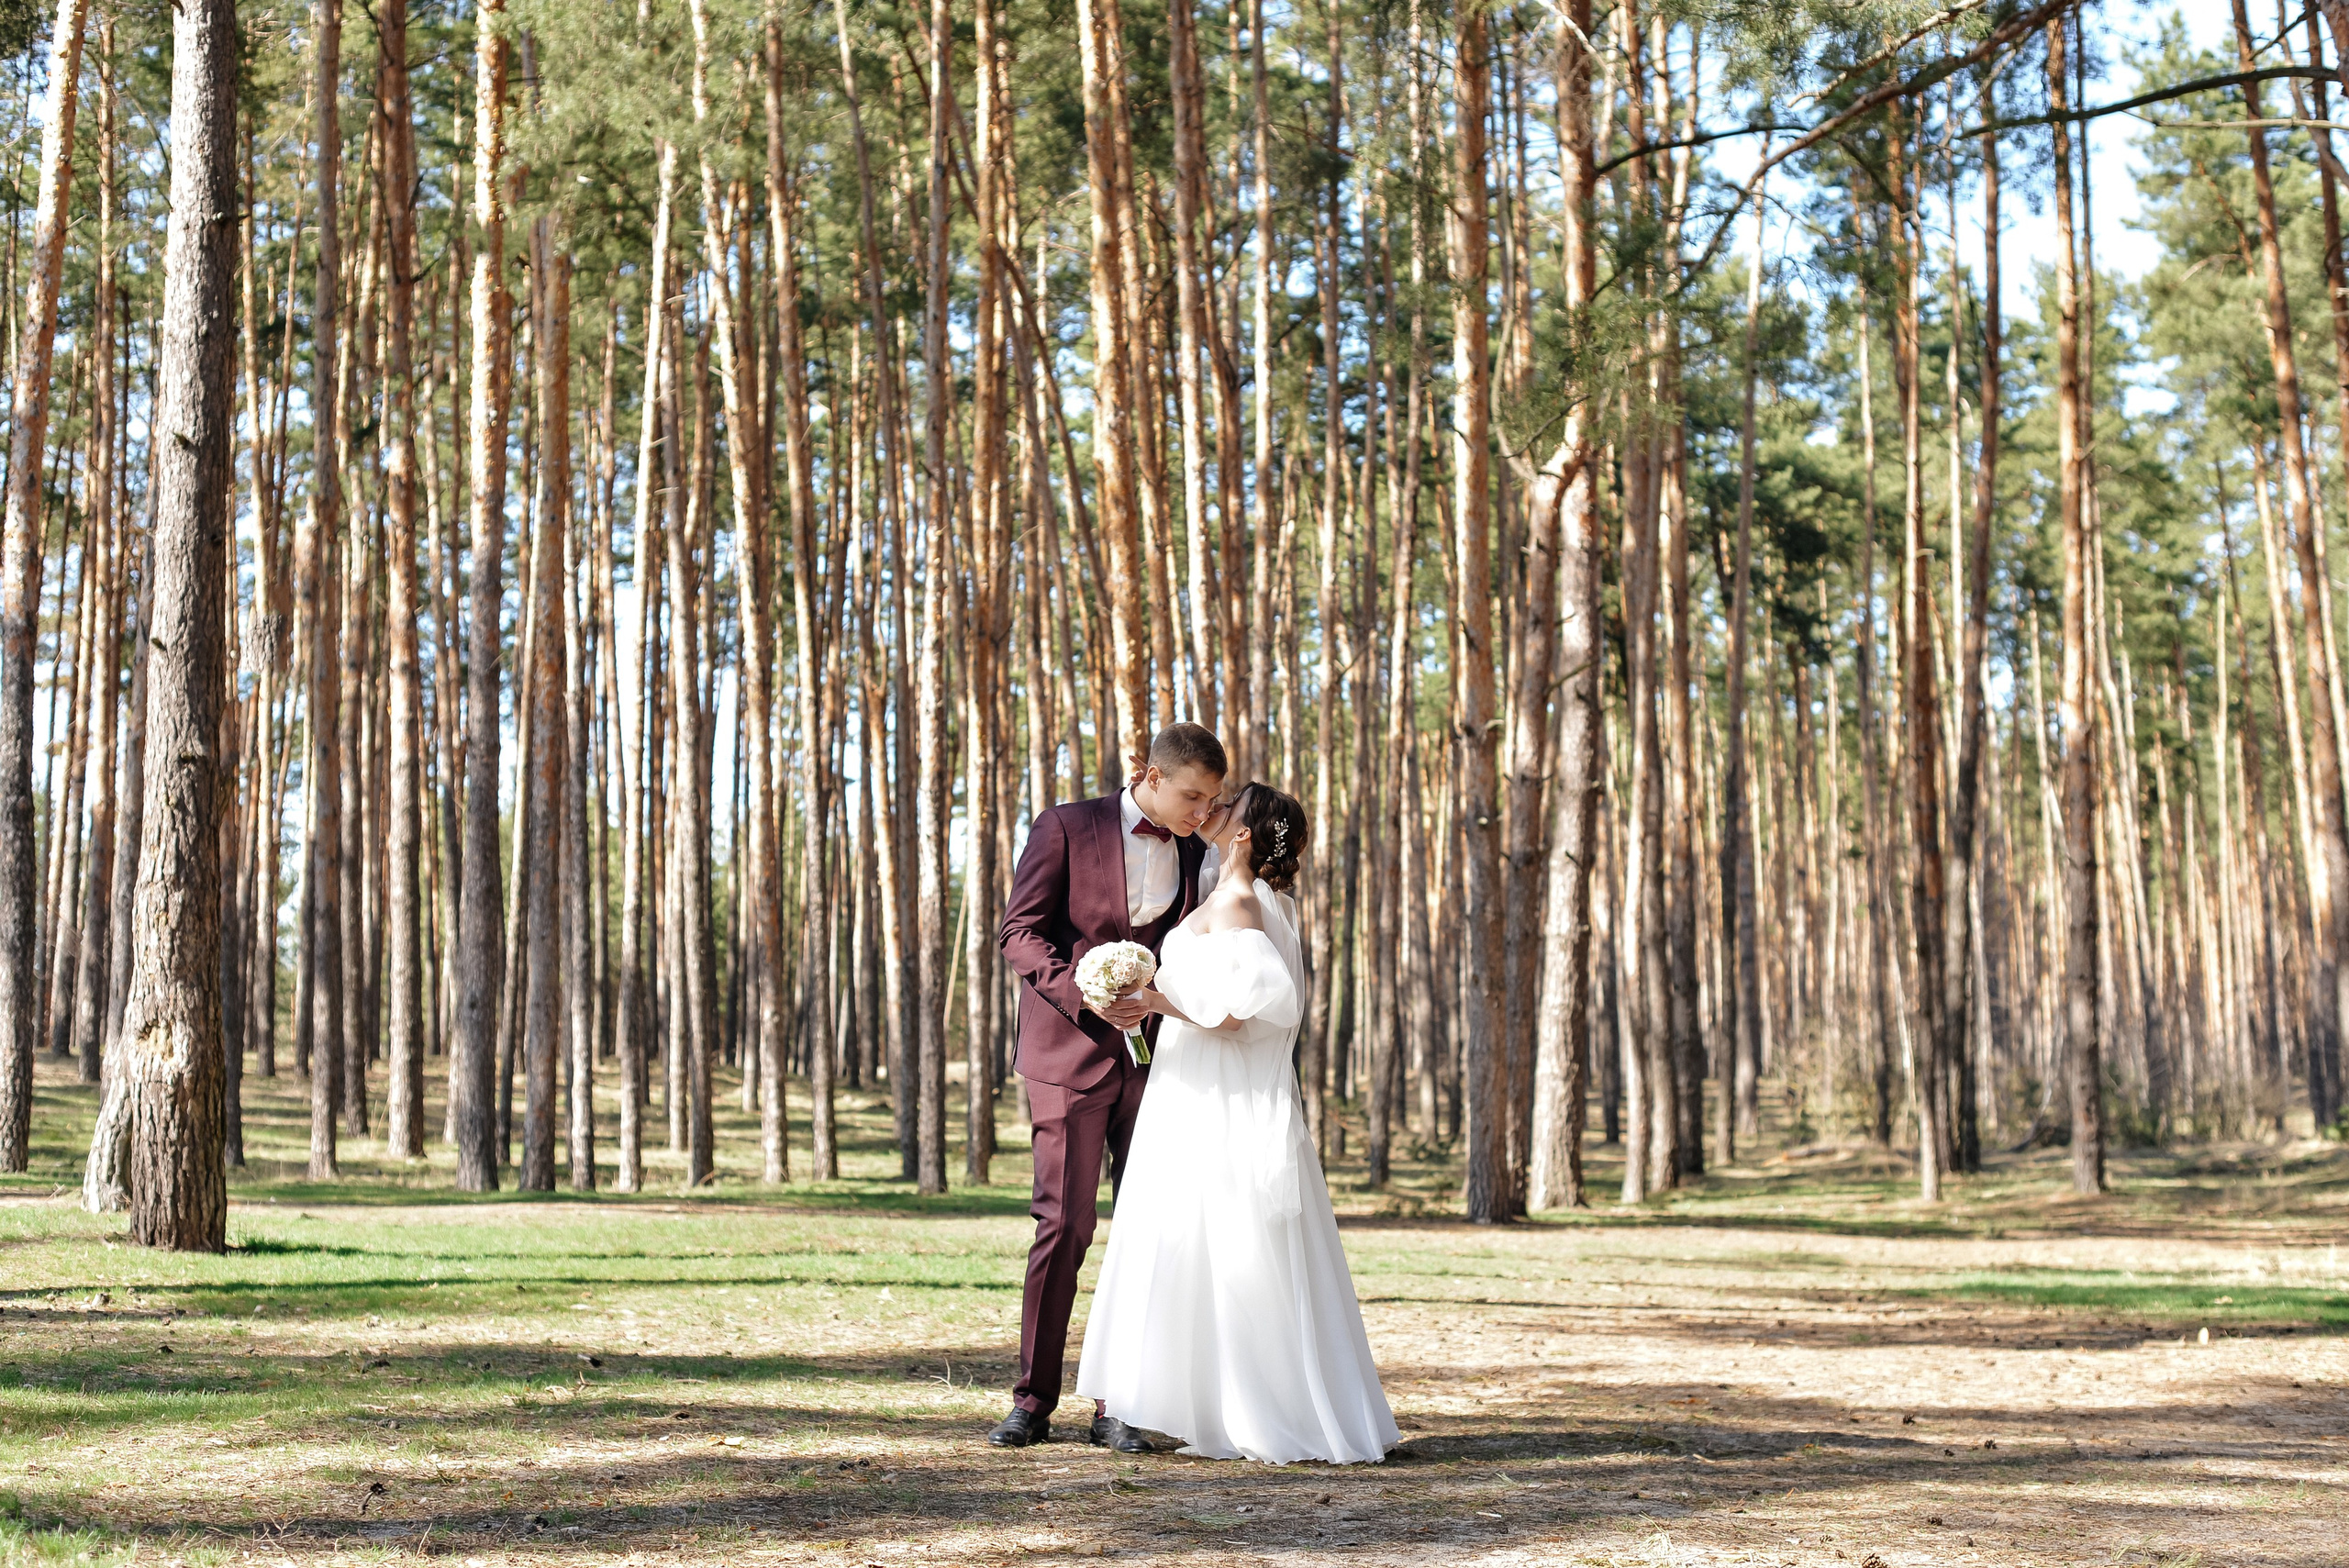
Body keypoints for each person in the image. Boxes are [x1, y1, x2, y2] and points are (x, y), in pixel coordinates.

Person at [1075, 782, 1398, 1464]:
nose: (1211, 814)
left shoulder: (1240, 903)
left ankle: (1252, 1407)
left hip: (1212, 1094)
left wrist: (1157, 998)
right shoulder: (1251, 901)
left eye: (1227, 810)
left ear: (1246, 835)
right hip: (1195, 1086)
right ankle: (1209, 1399)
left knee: (1222, 1244)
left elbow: (1235, 1016)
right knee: (1206, 1244)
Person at [989, 723, 1229, 1449]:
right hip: (1068, 1055)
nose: (1198, 812)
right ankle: (1032, 1398)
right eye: (1191, 796)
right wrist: (1082, 991)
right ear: (1150, 775)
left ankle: (1119, 1401)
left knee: (1147, 1233)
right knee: (1065, 1225)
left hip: (1158, 1062)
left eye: (1210, 800)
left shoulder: (1197, 855)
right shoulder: (1066, 826)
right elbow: (1019, 932)